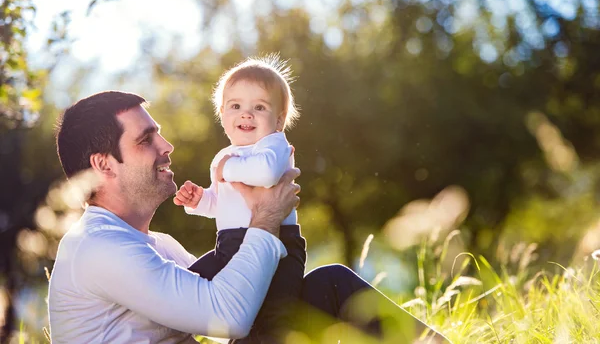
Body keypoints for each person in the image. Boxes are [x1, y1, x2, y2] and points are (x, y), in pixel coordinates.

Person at [48, 90, 449, 344]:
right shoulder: (96, 247)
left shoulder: (157, 246)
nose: (166, 146)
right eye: (145, 140)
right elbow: (226, 317)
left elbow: (244, 294)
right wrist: (266, 217)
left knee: (329, 286)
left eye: (159, 133)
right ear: (103, 164)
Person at [173, 56, 305, 341]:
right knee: (189, 282)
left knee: (272, 316)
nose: (247, 114)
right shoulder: (223, 156)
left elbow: (267, 174)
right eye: (236, 106)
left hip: (278, 245)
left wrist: (227, 169)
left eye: (259, 107)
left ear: (279, 119)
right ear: (222, 114)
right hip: (229, 245)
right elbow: (221, 204)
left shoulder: (274, 146)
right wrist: (199, 201)